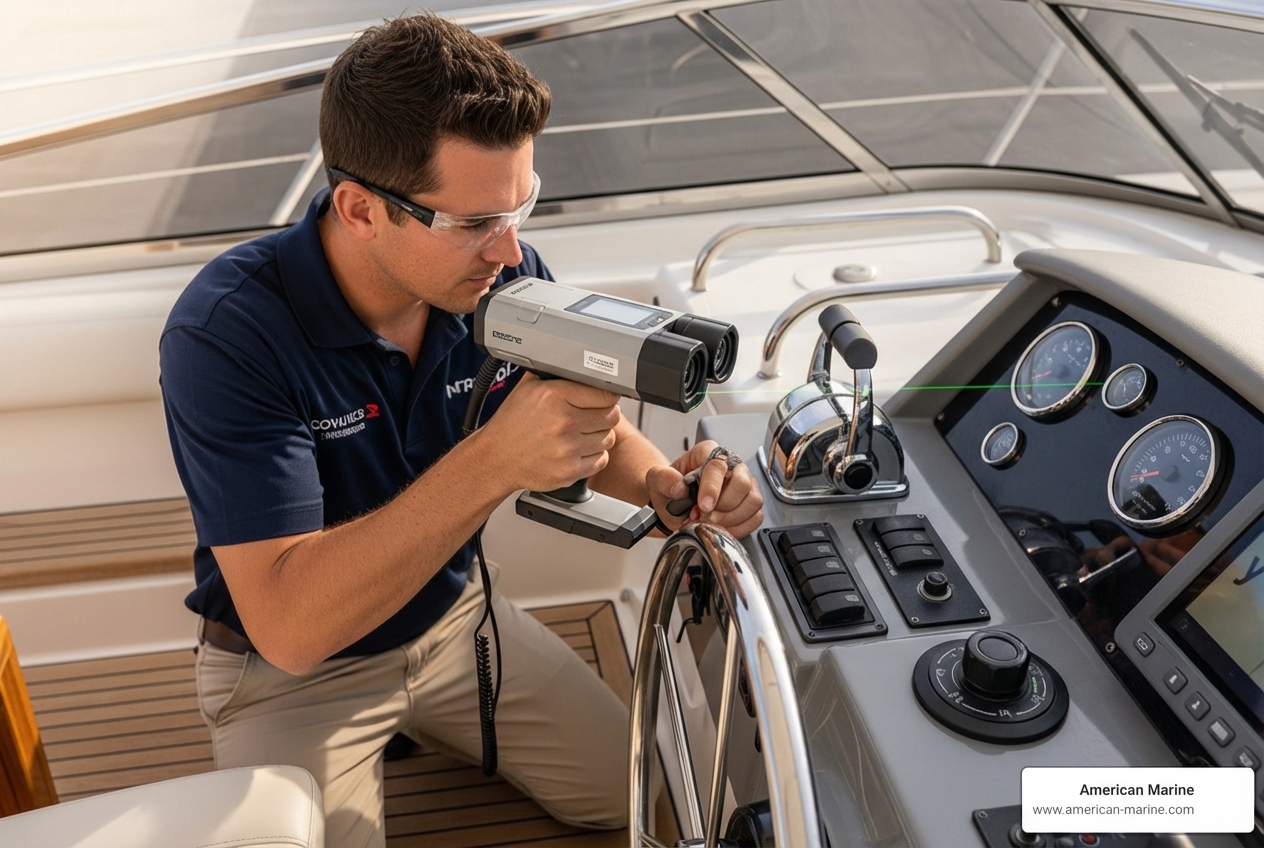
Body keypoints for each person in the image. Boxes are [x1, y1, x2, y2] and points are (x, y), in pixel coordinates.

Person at [159, 12, 764, 847]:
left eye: (522, 206)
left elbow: (600, 427)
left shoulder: (498, 280)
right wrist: (491, 462)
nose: (512, 253)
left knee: (653, 799)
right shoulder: (226, 335)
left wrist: (666, 484)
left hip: (458, 623)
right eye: (476, 223)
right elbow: (291, 628)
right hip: (293, 678)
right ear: (360, 208)